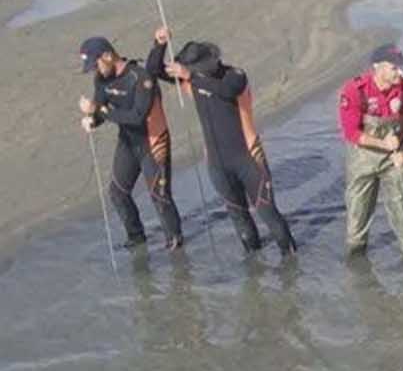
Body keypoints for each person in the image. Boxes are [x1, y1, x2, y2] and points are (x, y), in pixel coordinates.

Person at [162, 33, 296, 257]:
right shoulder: (194, 82)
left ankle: (291, 265)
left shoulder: (235, 76)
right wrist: (160, 43)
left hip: (248, 158)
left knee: (267, 213)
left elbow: (225, 91)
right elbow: (156, 70)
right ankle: (254, 270)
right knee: (239, 217)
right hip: (217, 163)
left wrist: (191, 77)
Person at [77, 31, 184, 251]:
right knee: (117, 193)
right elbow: (101, 109)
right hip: (128, 142)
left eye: (95, 65)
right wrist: (92, 120)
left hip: (153, 140)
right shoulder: (102, 79)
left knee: (159, 195)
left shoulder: (140, 77)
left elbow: (137, 117)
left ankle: (175, 243)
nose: (95, 72)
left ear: (107, 55)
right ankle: (137, 238)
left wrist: (100, 111)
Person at [337, 43, 403, 260]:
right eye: (395, 67)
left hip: (397, 159)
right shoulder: (355, 90)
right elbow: (351, 133)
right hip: (362, 158)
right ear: (377, 67)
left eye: (402, 67)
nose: (401, 72)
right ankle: (357, 266)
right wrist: (383, 144)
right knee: (356, 218)